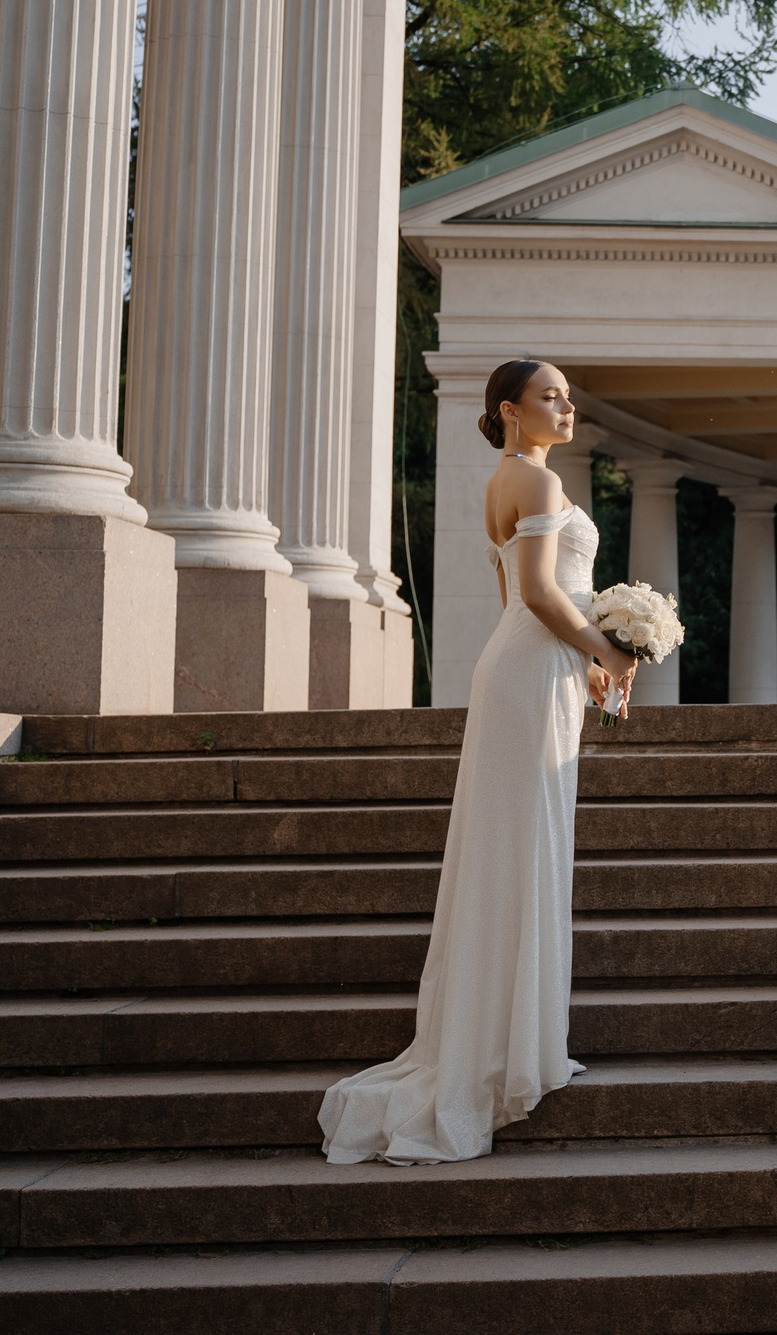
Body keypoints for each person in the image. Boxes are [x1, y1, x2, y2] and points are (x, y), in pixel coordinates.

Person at [319, 358, 637, 1164]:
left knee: (517, 847)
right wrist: (606, 647)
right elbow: (537, 592)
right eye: (550, 396)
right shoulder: (535, 481)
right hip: (532, 669)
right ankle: (509, 1052)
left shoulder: (505, 481)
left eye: (568, 396)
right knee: (525, 847)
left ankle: (517, 1042)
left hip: (525, 664)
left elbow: (515, 599)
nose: (567, 406)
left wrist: (585, 665)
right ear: (511, 409)